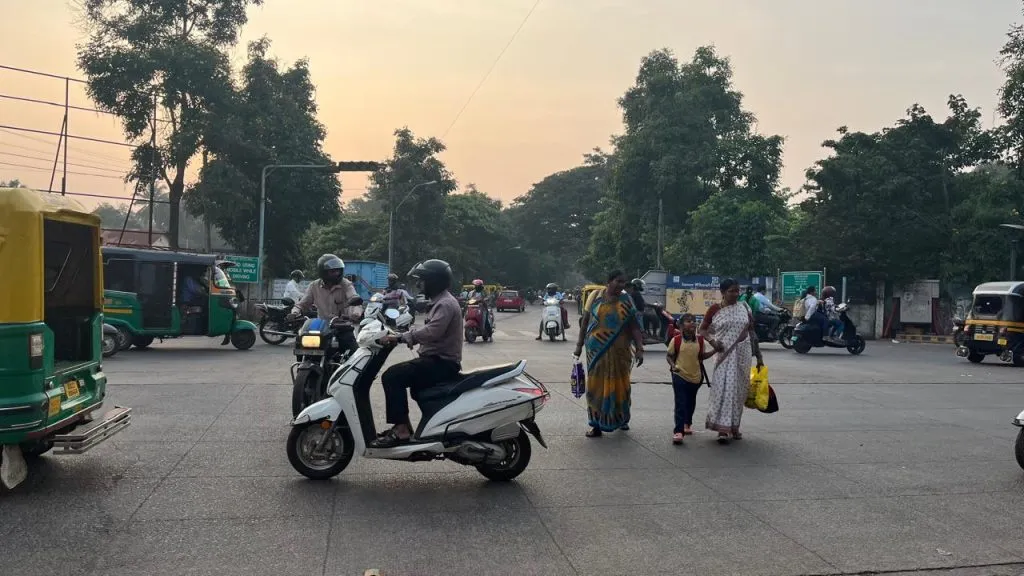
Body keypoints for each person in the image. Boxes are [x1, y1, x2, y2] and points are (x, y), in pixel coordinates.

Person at [369, 259, 463, 448]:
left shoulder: (444, 304)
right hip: (437, 360)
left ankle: (401, 430)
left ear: (434, 281)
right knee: (412, 385)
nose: (419, 284)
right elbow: (430, 330)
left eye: (422, 280)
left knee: (392, 376)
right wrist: (402, 335)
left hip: (442, 363)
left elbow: (432, 332)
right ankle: (413, 428)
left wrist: (403, 337)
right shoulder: (440, 302)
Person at [573, 269, 645, 437]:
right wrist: (578, 346)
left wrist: (640, 348)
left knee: (622, 387)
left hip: (621, 353)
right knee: (595, 388)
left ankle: (622, 419)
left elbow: (634, 326)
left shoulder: (627, 300)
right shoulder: (595, 297)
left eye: (623, 283)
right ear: (609, 281)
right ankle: (596, 425)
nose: (621, 285)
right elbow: (585, 323)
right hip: (596, 350)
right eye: (618, 281)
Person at [700, 278, 764, 443]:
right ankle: (722, 429)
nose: (735, 294)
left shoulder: (744, 307)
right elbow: (703, 330)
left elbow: (752, 332)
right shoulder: (714, 309)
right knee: (723, 389)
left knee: (739, 391)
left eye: (737, 291)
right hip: (723, 355)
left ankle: (734, 426)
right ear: (722, 292)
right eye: (731, 291)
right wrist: (713, 342)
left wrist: (759, 357)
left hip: (743, 354)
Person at [667, 314, 715, 444]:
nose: (692, 323)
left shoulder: (700, 341)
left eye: (694, 321)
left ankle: (687, 423)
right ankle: (678, 431)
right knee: (680, 402)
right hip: (679, 375)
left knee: (690, 401)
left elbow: (702, 356)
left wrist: (714, 351)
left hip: (696, 377)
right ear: (681, 325)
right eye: (688, 321)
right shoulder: (676, 340)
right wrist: (673, 366)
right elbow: (669, 356)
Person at [289, 254, 362, 323]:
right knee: (301, 335)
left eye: (338, 271)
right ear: (323, 272)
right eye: (333, 271)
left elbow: (354, 298)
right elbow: (302, 304)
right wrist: (294, 313)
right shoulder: (314, 286)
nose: (337, 273)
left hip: (342, 325)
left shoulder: (346, 284)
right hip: (322, 326)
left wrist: (355, 314)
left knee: (348, 336)